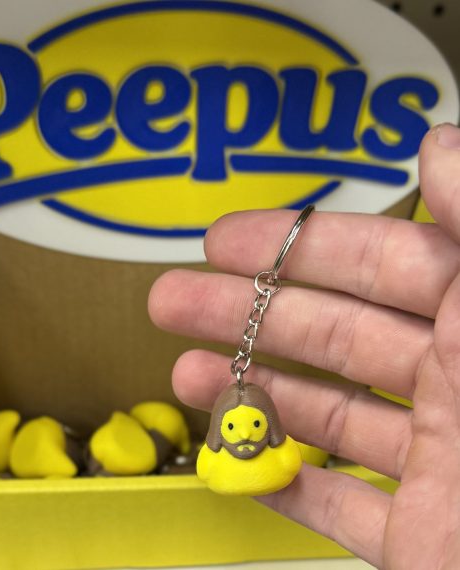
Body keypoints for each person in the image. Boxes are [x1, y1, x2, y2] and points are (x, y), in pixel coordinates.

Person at [148, 123, 460, 569]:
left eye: (252, 426)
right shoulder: (219, 455)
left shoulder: (279, 452)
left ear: (270, 426)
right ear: (218, 430)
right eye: (233, 428)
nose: (245, 435)